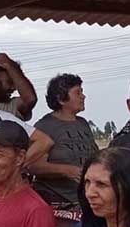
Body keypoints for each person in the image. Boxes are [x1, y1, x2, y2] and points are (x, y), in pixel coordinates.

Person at [26, 74, 99, 207]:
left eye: (82, 92)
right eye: (77, 93)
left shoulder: (83, 124)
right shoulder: (45, 127)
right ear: (61, 99)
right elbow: (32, 166)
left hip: (85, 199)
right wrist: (65, 170)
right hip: (56, 201)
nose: (83, 96)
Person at [0, 54, 37, 121]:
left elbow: (30, 99)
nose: (14, 88)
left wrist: (10, 65)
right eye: (10, 82)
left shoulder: (11, 106)